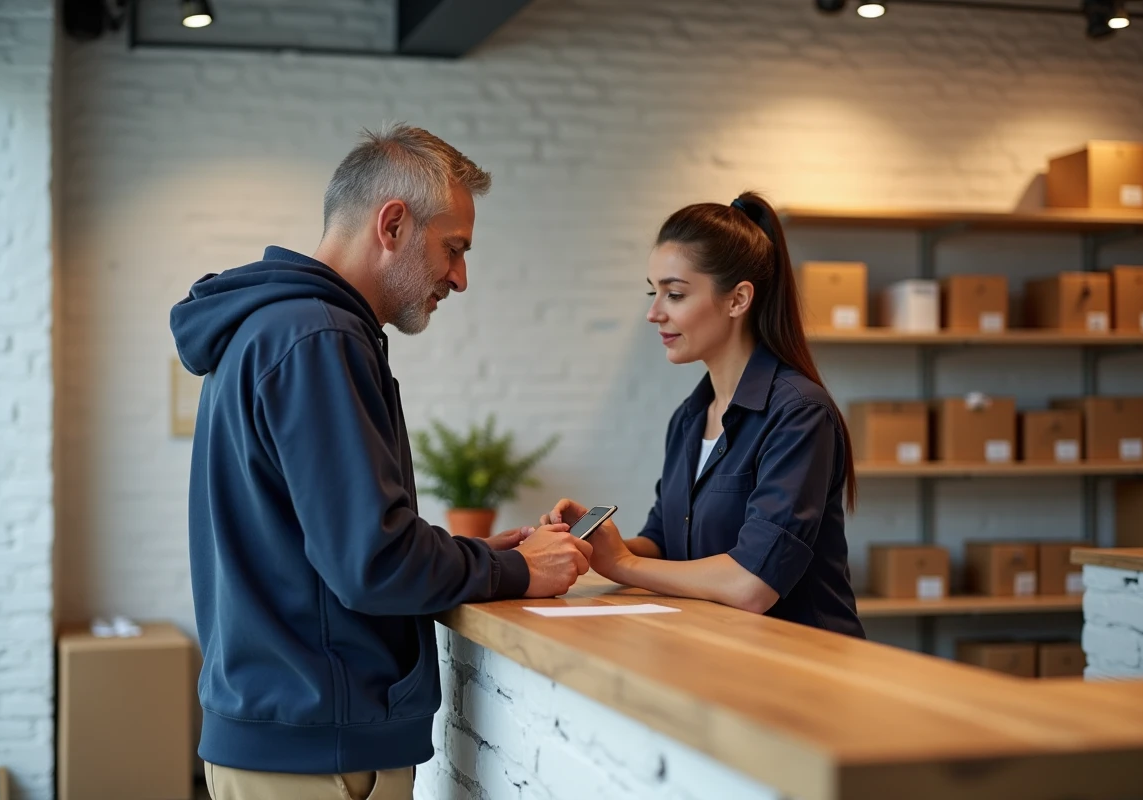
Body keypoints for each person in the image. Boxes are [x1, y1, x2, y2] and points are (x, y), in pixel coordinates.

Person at [170, 124, 592, 800]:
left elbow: (328, 545)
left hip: (289, 738)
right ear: (392, 224)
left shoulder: (275, 329)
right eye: (454, 248)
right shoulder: (318, 338)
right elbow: (372, 564)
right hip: (318, 754)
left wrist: (465, 555)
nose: (460, 278)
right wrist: (517, 569)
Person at [543, 193, 863, 638]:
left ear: (738, 300)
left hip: (803, 660)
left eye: (674, 294)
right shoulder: (689, 418)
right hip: (717, 649)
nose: (653, 313)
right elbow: (665, 543)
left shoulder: (799, 414)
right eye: (653, 292)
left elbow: (752, 584)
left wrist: (624, 564)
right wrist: (593, 545)